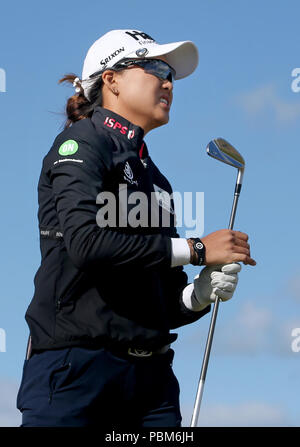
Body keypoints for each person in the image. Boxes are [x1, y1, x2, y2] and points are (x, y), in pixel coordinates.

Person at [16, 29, 256, 428]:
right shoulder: (81, 143)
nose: (167, 81)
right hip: (76, 370)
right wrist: (197, 249)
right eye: (155, 67)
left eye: (171, 75)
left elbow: (160, 301)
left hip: (151, 384)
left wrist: (197, 293)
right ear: (110, 79)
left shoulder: (156, 179)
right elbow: (87, 244)